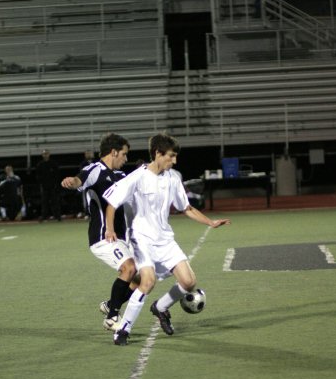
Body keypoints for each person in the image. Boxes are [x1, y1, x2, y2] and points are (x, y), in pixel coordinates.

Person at [103, 133, 231, 346]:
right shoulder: (136, 177)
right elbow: (112, 204)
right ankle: (123, 329)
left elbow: (186, 208)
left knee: (189, 282)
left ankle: (160, 308)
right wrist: (109, 229)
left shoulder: (173, 178)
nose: (175, 160)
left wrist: (210, 222)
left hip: (164, 239)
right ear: (157, 154)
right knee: (148, 281)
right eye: (171, 156)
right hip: (140, 238)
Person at [61, 133, 139, 332]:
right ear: (113, 152)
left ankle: (111, 304)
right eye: (124, 154)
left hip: (121, 237)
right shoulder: (95, 170)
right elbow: (81, 179)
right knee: (128, 268)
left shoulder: (121, 176)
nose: (126, 159)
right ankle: (112, 318)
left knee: (139, 279)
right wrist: (73, 181)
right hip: (103, 236)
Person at [36, 149, 61, 222]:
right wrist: (41, 184)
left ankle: (57, 217)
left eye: (46, 153)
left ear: (49, 154)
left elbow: (57, 175)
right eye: (44, 154)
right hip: (44, 187)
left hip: (53, 186)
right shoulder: (40, 164)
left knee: (55, 201)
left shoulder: (53, 164)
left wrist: (55, 184)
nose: (45, 155)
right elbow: (38, 176)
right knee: (44, 202)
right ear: (42, 155)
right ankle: (44, 217)